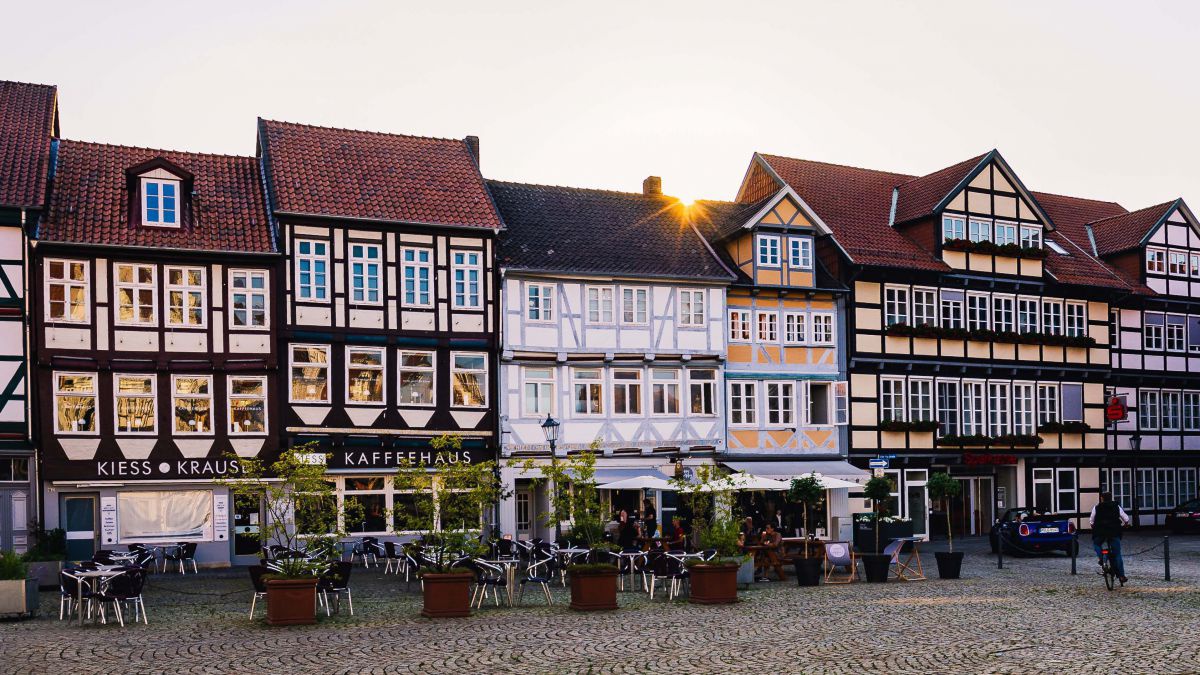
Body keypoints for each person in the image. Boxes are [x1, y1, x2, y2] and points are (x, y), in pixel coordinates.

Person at [1089, 491, 1132, 584]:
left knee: (1096, 544)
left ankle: (1101, 559)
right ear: (1111, 498)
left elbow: (1091, 521)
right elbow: (1126, 519)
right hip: (1113, 532)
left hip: (1100, 532)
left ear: (1102, 498)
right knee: (1117, 554)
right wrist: (1126, 524)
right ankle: (1121, 575)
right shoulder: (1116, 506)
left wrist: (1094, 526)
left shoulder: (1096, 507)